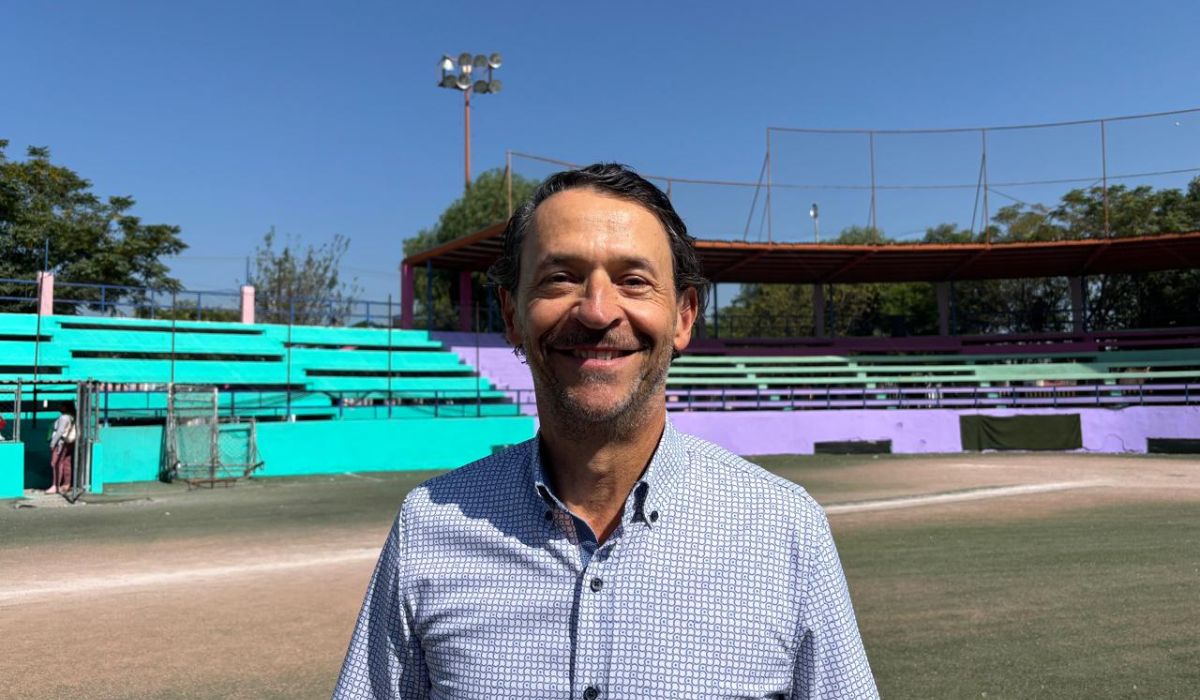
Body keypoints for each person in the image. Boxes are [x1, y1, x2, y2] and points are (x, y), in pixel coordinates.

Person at [333, 164, 877, 698]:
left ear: (684, 316)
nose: (597, 312)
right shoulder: (428, 528)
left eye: (634, 281)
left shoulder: (788, 531)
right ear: (512, 314)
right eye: (560, 278)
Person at [47, 402, 76, 495]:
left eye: (61, 405)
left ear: (65, 407)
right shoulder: (72, 417)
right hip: (68, 442)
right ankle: (66, 484)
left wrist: (53, 443)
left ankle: (55, 485)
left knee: (55, 463)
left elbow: (60, 431)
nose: (59, 406)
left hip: (61, 442)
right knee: (66, 462)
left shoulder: (64, 417)